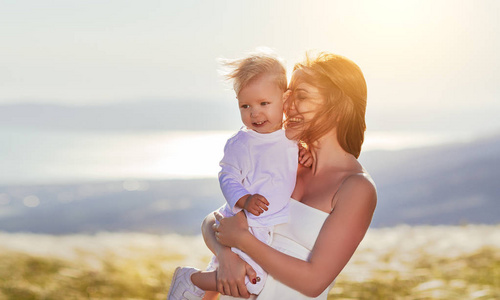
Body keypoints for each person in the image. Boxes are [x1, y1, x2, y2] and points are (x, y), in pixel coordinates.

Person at [201, 51, 377, 299]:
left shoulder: (355, 188)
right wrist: (224, 255)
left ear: (338, 107)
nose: (288, 105)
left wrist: (242, 240)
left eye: (302, 96)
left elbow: (314, 282)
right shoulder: (286, 163)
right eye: (288, 95)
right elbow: (215, 220)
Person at [167, 50, 313, 300]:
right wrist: (244, 200)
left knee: (230, 271)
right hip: (246, 219)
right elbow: (227, 176)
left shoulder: (291, 136)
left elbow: (290, 159)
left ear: (284, 100)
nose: (255, 113)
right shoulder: (242, 142)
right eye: (245, 106)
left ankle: (199, 288)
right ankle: (191, 279)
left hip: (266, 223)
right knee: (250, 281)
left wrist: (306, 152)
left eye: (264, 104)